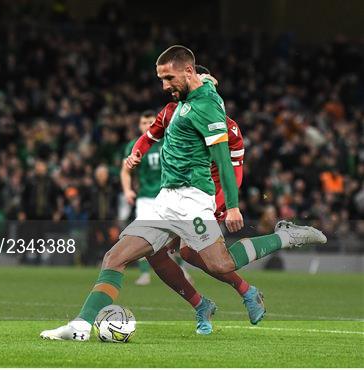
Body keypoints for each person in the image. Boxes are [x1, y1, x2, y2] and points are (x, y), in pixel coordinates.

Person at [40, 45, 326, 341]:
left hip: (193, 203)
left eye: (168, 78)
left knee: (220, 263)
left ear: (189, 72)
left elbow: (225, 161)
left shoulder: (207, 107)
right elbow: (157, 128)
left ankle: (285, 235)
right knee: (115, 257)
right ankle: (81, 326)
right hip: (164, 203)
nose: (164, 86)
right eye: (161, 79)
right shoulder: (180, 104)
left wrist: (232, 206)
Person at [143, 68, 264, 334]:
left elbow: (233, 173)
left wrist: (222, 206)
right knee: (154, 252)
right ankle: (205, 303)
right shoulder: (176, 114)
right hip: (176, 197)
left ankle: (245, 291)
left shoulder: (228, 127)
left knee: (189, 252)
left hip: (207, 198)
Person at [120, 110, 191, 286]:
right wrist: (127, 190)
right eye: (143, 123)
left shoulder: (170, 141)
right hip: (145, 198)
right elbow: (125, 171)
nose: (147, 126)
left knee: (176, 234)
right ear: (139, 125)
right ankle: (144, 274)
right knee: (143, 236)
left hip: (169, 196)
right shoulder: (134, 146)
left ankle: (182, 269)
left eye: (150, 122)